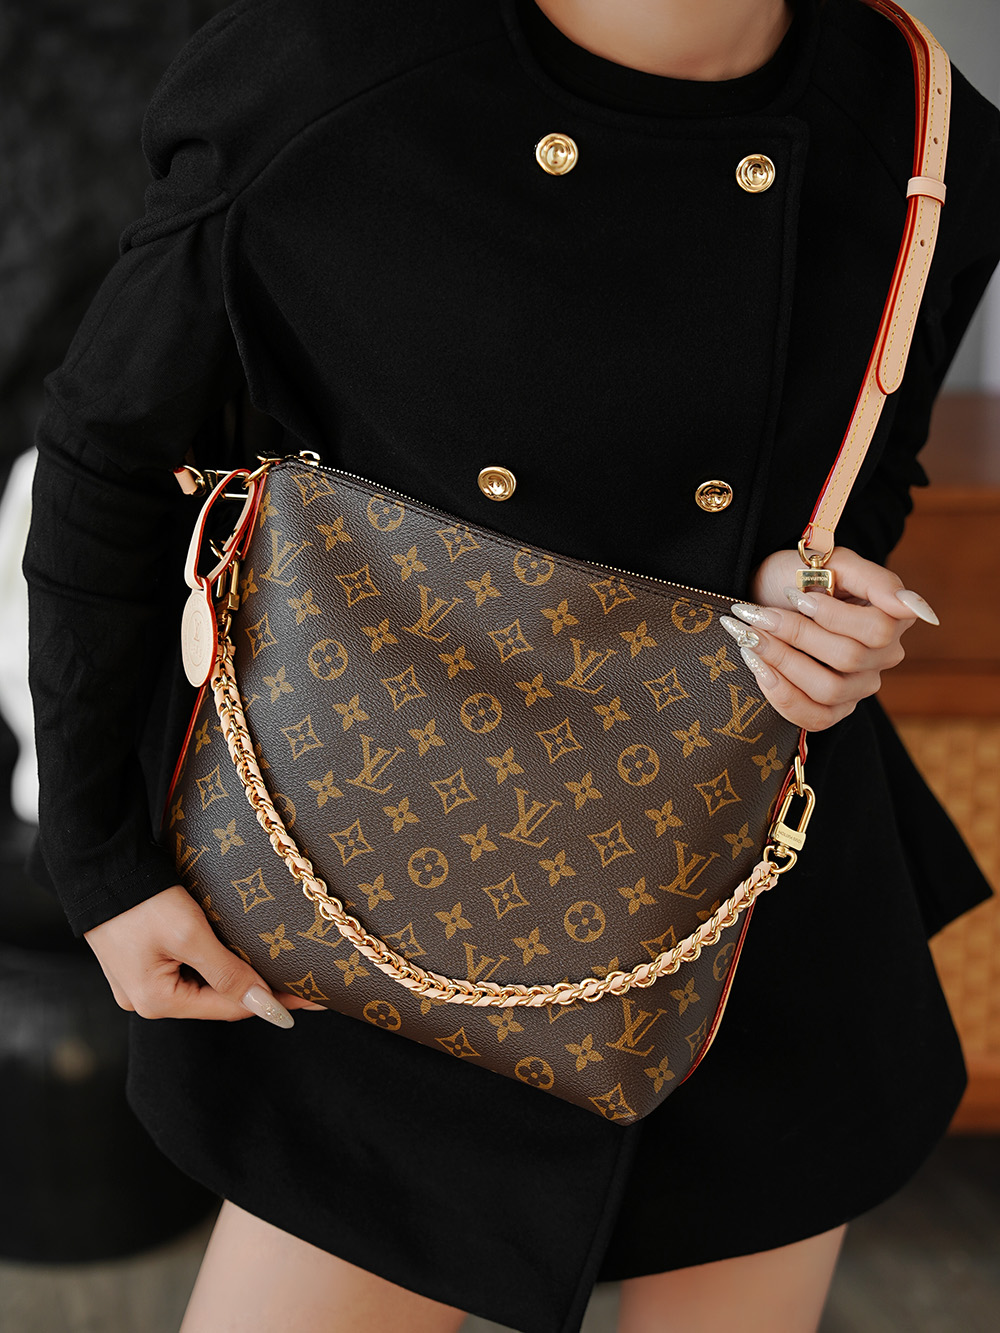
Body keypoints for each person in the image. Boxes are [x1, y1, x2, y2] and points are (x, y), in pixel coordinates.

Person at [24, 1, 1000, 1330]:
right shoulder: (330, 67)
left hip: (746, 904)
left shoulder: (924, 128)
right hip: (379, 881)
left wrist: (812, 600)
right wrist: (99, 862)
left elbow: (861, 477)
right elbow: (111, 455)